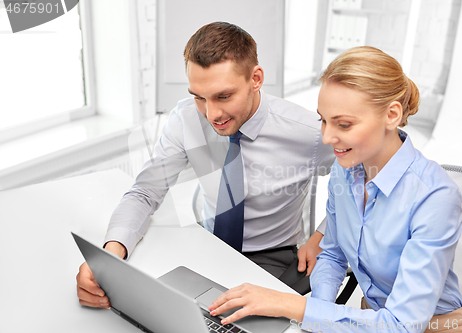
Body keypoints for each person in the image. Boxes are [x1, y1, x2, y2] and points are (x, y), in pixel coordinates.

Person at [208, 46, 462, 333]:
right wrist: (318, 317)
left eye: (344, 124)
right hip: (370, 319)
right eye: (323, 120)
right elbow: (333, 254)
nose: (327, 137)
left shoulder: (435, 198)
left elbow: (401, 325)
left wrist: (293, 306)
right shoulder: (345, 170)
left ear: (392, 114)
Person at [76, 21, 335, 309]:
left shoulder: (307, 132)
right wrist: (111, 256)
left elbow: (362, 176)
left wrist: (324, 235)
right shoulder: (186, 119)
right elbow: (145, 192)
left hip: (271, 256)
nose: (212, 114)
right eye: (199, 97)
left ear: (256, 79)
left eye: (224, 96)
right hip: (207, 243)